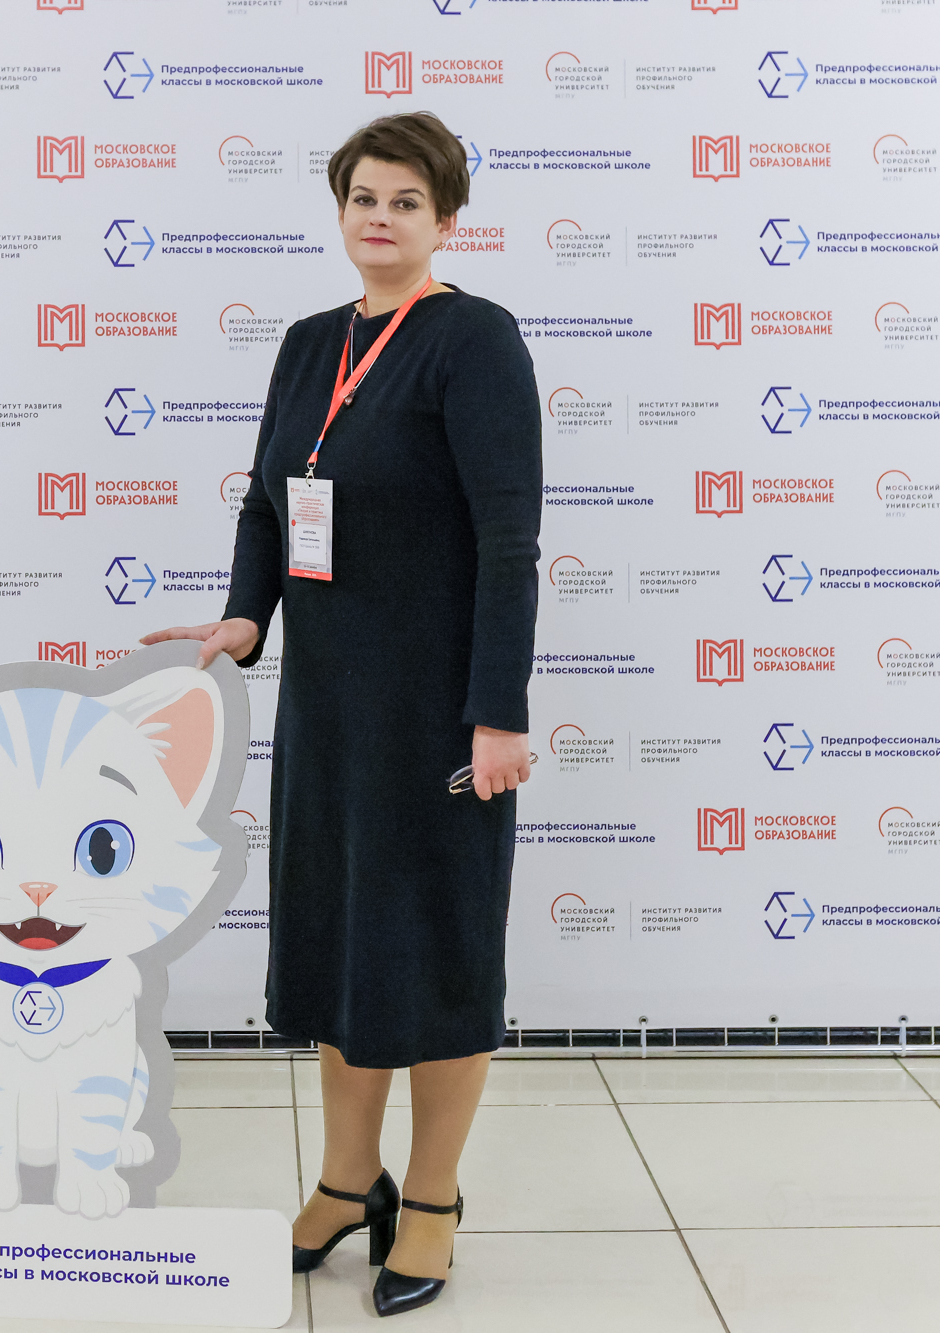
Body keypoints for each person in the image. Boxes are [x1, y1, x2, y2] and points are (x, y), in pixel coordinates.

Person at [141, 110, 541, 1317]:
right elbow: (268, 504)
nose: (380, 217)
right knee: (337, 946)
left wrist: (496, 713)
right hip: (327, 707)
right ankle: (345, 1178)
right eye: (363, 197)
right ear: (339, 210)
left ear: (445, 221)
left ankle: (431, 1200)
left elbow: (508, 542)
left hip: (437, 714)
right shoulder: (311, 342)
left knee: (438, 953)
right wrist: (243, 616)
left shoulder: (472, 341)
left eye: (405, 202)